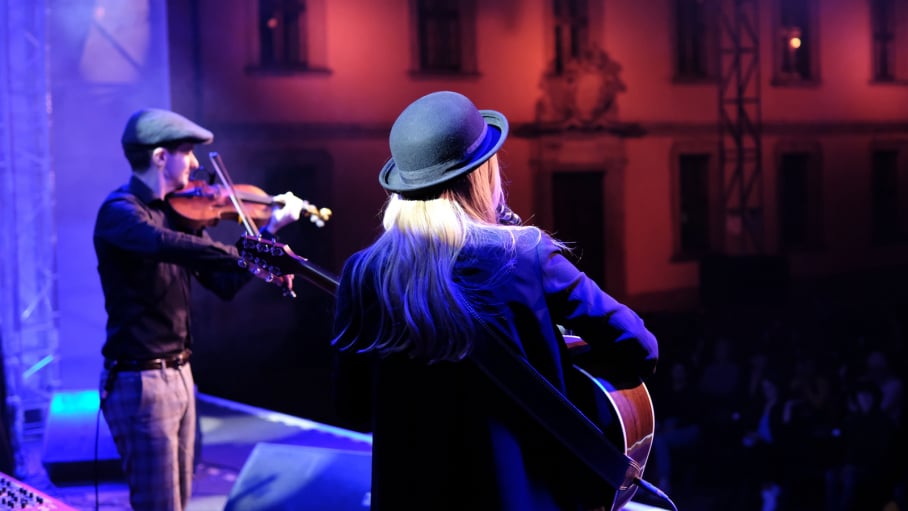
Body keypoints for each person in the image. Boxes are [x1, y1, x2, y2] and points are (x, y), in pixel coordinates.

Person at [330, 91, 659, 511]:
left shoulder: (361, 274)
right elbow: (640, 347)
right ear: (481, 174)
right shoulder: (525, 256)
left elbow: (352, 408)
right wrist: (561, 357)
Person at [93, 107, 304, 511]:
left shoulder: (173, 215)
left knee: (181, 502)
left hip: (181, 375)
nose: (194, 163)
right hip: (141, 382)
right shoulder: (121, 214)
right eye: (186, 152)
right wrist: (249, 254)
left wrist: (268, 236)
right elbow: (167, 245)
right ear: (159, 157)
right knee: (160, 505)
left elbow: (223, 283)